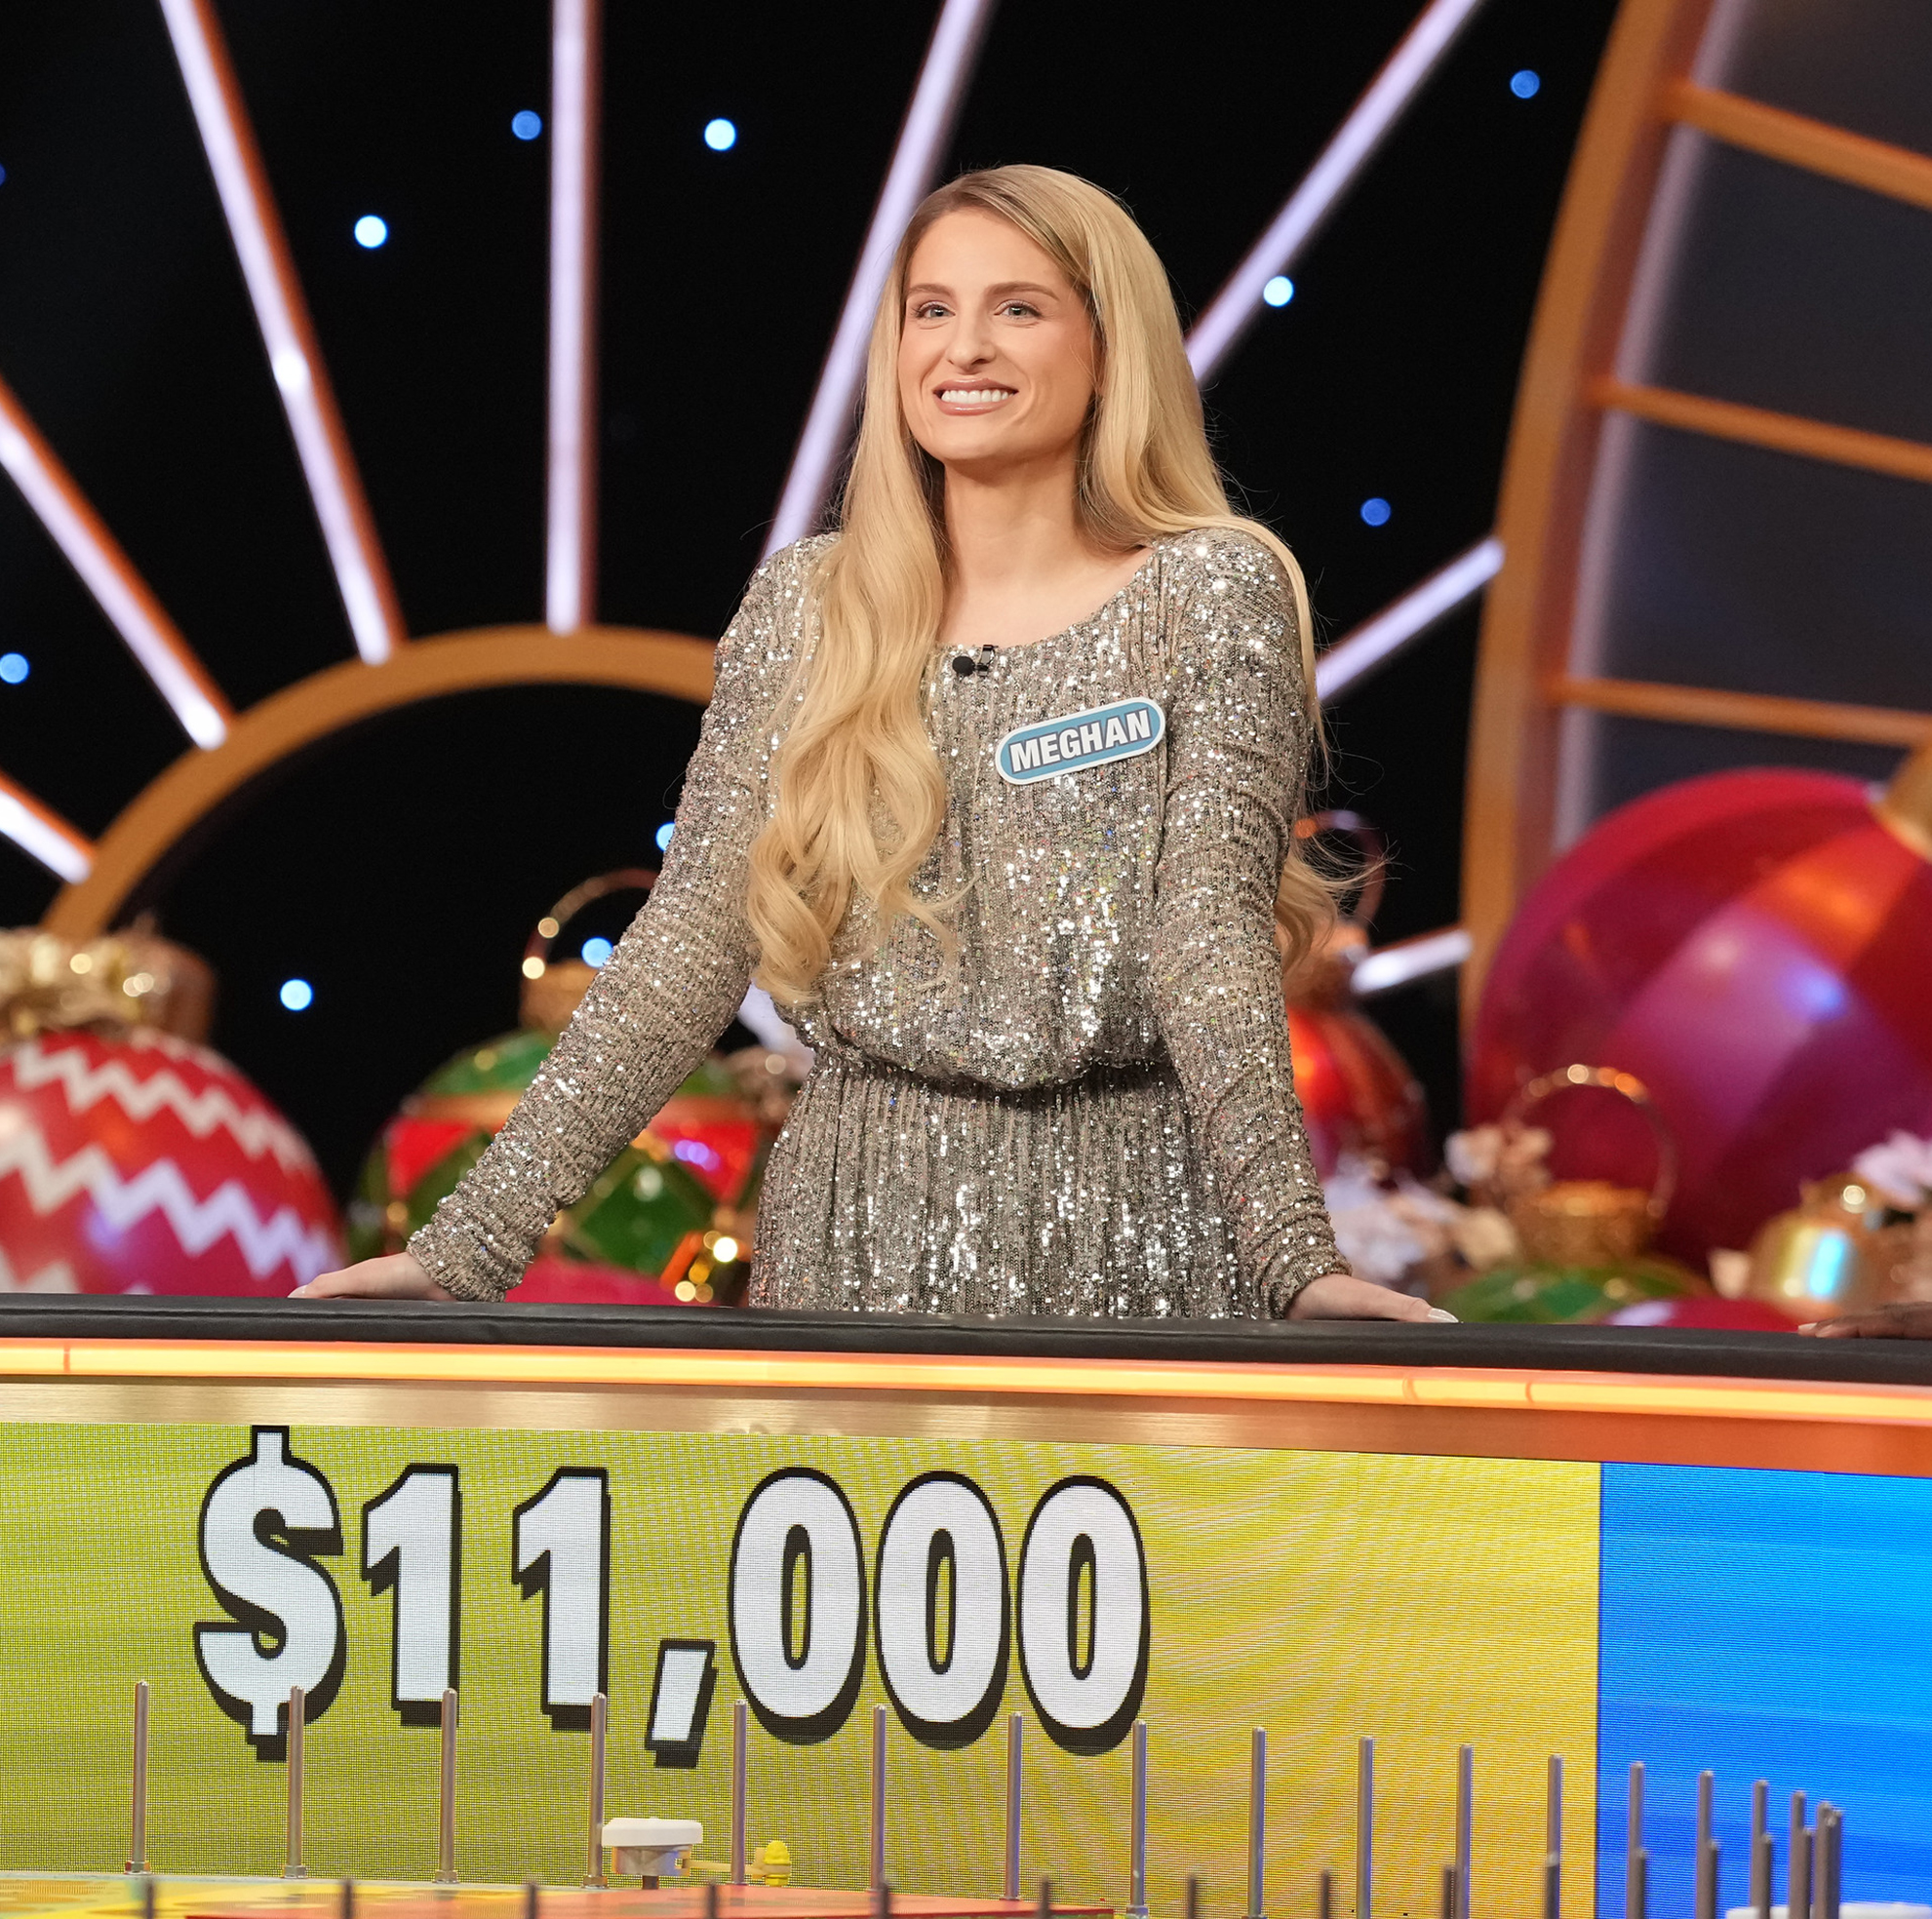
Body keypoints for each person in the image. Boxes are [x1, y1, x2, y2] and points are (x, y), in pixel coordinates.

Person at [297, 165, 1434, 1324]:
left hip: (1146, 1231)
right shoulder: (807, 604)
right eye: (931, 310)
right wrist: (467, 1251)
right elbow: (692, 940)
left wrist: (1297, 1260)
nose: (964, 347)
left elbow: (1210, 938)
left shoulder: (1212, 591)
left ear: (1111, 349)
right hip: (853, 1234)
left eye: (1019, 307)